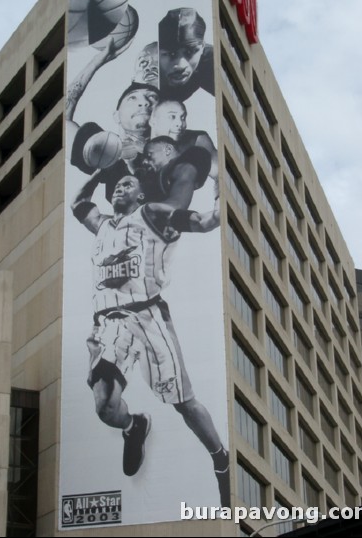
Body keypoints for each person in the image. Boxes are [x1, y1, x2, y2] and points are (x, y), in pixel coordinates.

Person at [71, 172, 230, 506]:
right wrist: (101, 171)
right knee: (103, 407)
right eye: (117, 184)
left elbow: (206, 221)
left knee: (183, 403)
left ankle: (221, 459)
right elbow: (78, 203)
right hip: (109, 321)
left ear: (140, 196)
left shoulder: (152, 214)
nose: (119, 186)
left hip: (148, 315)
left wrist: (219, 190)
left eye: (128, 184)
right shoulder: (100, 224)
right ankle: (134, 425)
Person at [149, 99, 219, 195]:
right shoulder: (136, 148)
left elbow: (221, 174)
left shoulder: (196, 139)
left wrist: (218, 200)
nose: (180, 124)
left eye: (183, 117)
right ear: (153, 121)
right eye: (172, 117)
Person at [158, 8, 214, 102]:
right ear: (157, 50)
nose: (180, 66)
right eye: (171, 53)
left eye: (189, 52)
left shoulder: (210, 61)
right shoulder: (147, 70)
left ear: (202, 47)